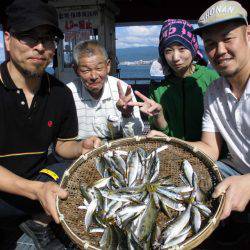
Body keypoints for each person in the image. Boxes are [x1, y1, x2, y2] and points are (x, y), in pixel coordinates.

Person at [0, 0, 101, 249]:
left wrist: (81, 148)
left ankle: (39, 224)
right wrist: (35, 190)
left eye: (48, 39)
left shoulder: (59, 93)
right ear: (7, 39)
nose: (40, 47)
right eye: (29, 37)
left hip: (44, 197)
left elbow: (62, 145)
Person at [149, 0, 250, 245]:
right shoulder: (214, 91)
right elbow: (210, 149)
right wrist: (170, 143)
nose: (220, 50)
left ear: (248, 35)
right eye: (212, 43)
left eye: (228, 38)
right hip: (232, 170)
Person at [129, 19, 219, 141]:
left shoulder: (212, 78)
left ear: (193, 49)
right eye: (168, 51)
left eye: (182, 49)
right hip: (172, 152)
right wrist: (158, 115)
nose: (175, 57)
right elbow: (160, 132)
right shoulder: (158, 84)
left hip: (210, 153)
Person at [67, 40, 144, 141]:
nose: (94, 76)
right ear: (76, 70)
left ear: (108, 66)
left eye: (99, 68)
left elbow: (136, 138)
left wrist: (127, 115)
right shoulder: (68, 94)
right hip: (80, 152)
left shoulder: (123, 90)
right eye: (86, 70)